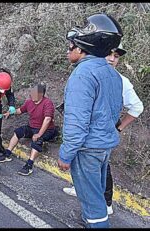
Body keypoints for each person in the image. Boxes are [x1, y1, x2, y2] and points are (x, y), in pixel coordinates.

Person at [58, 13, 124, 228]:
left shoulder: (83, 75)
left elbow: (77, 121)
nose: (68, 51)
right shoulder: (112, 74)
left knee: (94, 203)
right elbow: (114, 112)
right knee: (97, 194)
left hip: (87, 148)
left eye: (71, 47)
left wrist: (66, 154)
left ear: (82, 49)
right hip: (103, 146)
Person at [62, 43, 144, 215]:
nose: (112, 59)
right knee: (94, 169)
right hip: (93, 135)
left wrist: (119, 128)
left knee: (101, 169)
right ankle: (86, 193)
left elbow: (137, 108)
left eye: (116, 56)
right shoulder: (96, 74)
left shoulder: (120, 80)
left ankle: (105, 203)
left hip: (96, 138)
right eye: (109, 54)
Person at [1, 84, 57, 176]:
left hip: (47, 130)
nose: (32, 96)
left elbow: (47, 119)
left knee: (37, 141)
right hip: (31, 127)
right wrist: (9, 112)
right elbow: (20, 110)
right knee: (18, 132)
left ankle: (29, 165)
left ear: (41, 94)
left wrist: (39, 134)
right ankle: (7, 153)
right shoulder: (29, 102)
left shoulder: (47, 103)